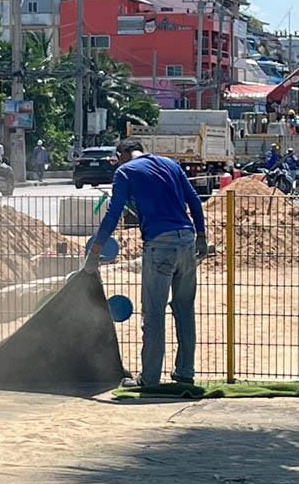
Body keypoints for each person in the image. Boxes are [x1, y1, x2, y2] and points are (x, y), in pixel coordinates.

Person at [85, 138, 207, 387]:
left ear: (122, 154)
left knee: (153, 313)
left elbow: (113, 213)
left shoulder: (125, 172)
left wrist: (95, 251)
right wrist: (202, 237)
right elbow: (194, 201)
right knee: (185, 310)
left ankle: (149, 379)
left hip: (160, 246)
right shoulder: (171, 165)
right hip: (187, 242)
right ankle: (185, 372)